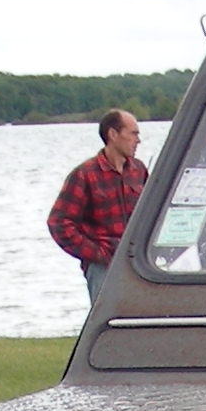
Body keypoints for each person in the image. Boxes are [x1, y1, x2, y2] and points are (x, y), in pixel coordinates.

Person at [47, 109, 150, 303]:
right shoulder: (84, 174)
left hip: (138, 264)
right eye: (133, 134)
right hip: (103, 268)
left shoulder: (139, 170)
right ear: (113, 134)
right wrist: (97, 253)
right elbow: (58, 223)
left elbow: (152, 214)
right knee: (109, 319)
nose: (138, 140)